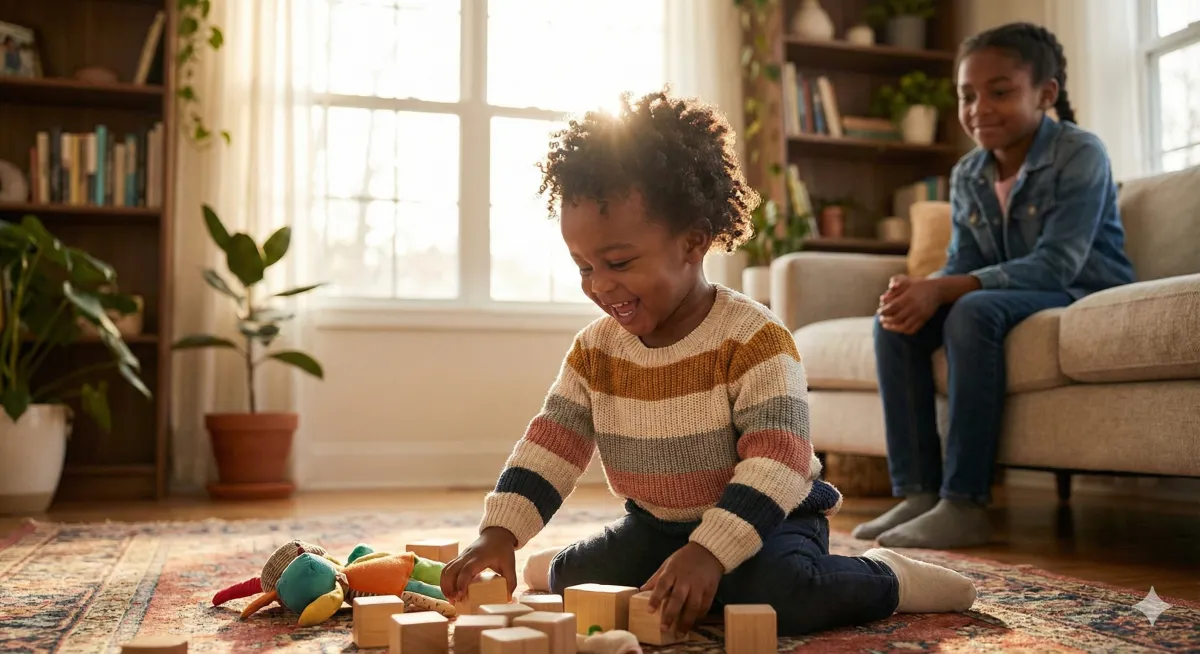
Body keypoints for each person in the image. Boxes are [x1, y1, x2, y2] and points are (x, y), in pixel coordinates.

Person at [439, 88, 977, 638]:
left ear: (693, 243)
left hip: (774, 520)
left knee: (779, 595)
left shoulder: (753, 338)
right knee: (579, 583)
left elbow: (779, 462)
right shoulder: (594, 351)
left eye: (619, 261)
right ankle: (559, 564)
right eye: (583, 267)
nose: (600, 286)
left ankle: (888, 576)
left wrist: (710, 551)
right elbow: (550, 447)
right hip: (657, 526)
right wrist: (500, 533)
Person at [854, 22, 1136, 550]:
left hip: (1081, 287)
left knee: (972, 312)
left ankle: (965, 502)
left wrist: (946, 290)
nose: (978, 107)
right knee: (894, 319)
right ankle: (919, 492)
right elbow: (967, 260)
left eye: (1000, 92)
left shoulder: (1081, 153)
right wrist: (922, 287)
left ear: (1045, 93)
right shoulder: (968, 174)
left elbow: (1058, 263)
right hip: (1009, 292)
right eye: (967, 95)